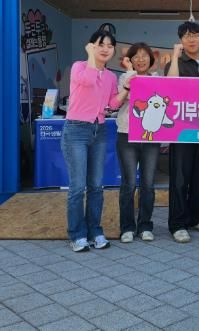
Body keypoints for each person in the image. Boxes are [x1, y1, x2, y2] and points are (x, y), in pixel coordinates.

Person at [61, 30, 129, 252]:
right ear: (91, 46)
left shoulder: (110, 77)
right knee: (77, 187)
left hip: (99, 130)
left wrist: (126, 89)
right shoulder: (79, 67)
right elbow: (88, 81)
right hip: (76, 130)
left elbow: (112, 104)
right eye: (101, 44)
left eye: (110, 46)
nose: (105, 49)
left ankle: (95, 231)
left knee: (96, 186)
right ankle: (77, 234)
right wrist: (91, 56)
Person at [164, 21, 199, 243]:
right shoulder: (176, 63)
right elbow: (170, 85)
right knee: (180, 178)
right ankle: (177, 223)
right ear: (180, 41)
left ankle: (196, 218)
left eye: (195, 35)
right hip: (182, 129)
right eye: (186, 36)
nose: (191, 39)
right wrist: (175, 57)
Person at [116, 42, 161, 243]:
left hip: (150, 137)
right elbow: (125, 97)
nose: (141, 60)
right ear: (130, 60)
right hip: (127, 135)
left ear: (151, 59)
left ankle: (145, 226)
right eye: (136, 56)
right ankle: (127, 227)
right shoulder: (124, 77)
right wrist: (129, 72)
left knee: (148, 184)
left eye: (145, 56)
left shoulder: (157, 80)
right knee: (129, 184)